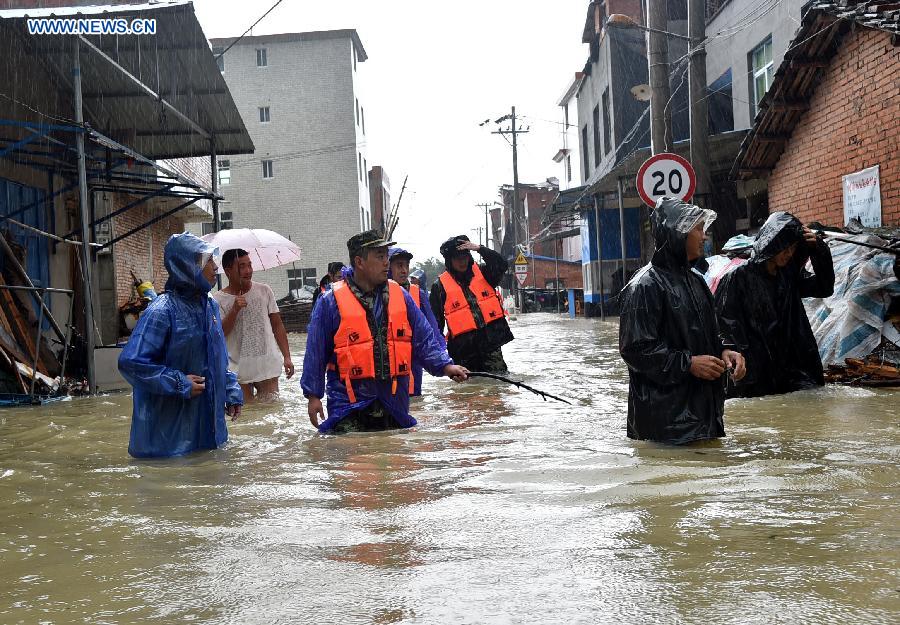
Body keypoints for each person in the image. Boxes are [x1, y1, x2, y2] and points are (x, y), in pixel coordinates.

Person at [301, 230, 469, 434]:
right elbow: (315, 352)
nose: (386, 262)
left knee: (396, 459)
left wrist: (445, 366)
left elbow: (423, 338)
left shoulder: (400, 295)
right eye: (379, 256)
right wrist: (313, 396)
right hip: (348, 405)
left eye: (386, 256)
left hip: (394, 403)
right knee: (354, 460)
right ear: (359, 262)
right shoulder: (330, 301)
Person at [619, 197, 746, 445]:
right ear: (678, 232)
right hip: (665, 426)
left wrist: (725, 351)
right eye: (698, 229)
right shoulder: (645, 285)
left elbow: (709, 333)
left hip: (703, 418)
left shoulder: (695, 281)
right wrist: (687, 364)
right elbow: (635, 350)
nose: (704, 236)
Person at [118, 232, 243, 458]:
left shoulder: (210, 308)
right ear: (187, 266)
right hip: (166, 443)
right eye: (208, 261)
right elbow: (130, 363)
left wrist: (230, 389)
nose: (216, 268)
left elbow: (218, 358)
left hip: (210, 435)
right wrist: (177, 382)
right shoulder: (161, 312)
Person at [715, 211, 834, 398]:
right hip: (755, 373)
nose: (788, 254)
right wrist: (729, 350)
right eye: (784, 248)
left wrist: (820, 251)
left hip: (790, 369)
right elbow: (722, 323)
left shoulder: (789, 276)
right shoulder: (737, 278)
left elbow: (824, 288)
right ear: (770, 244)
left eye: (793, 248)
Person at [214, 248, 294, 401]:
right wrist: (235, 309)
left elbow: (277, 325)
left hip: (266, 364)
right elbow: (220, 333)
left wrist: (287, 357)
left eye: (249, 265)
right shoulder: (218, 300)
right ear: (228, 270)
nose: (248, 270)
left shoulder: (264, 291)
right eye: (242, 266)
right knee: (246, 415)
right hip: (237, 368)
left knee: (269, 413)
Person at [429, 235, 513, 372]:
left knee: (499, 386)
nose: (462, 262)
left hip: (490, 348)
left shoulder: (484, 273)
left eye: (465, 257)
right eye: (457, 258)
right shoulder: (439, 287)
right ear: (449, 260)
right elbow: (436, 325)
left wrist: (479, 248)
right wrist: (440, 358)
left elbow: (502, 264)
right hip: (463, 354)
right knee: (468, 391)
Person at [388, 246, 445, 396]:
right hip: (388, 357)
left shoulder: (417, 293)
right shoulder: (377, 294)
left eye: (406, 266)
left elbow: (431, 325)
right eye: (399, 266)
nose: (404, 270)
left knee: (414, 398)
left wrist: (441, 354)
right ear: (389, 267)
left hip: (413, 357)